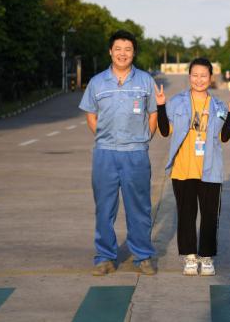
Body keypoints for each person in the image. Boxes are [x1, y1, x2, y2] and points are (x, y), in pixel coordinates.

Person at [79, 30, 158, 276]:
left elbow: (153, 114)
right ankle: (104, 257)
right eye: (118, 49)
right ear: (110, 52)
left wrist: (143, 139)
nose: (123, 54)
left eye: (128, 49)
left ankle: (142, 257)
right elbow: (90, 115)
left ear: (134, 53)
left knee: (139, 208)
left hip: (136, 153)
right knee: (104, 208)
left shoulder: (145, 81)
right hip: (105, 154)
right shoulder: (97, 82)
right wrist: (105, 137)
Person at [155, 58, 230, 276]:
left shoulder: (218, 106)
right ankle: (190, 257)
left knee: (210, 216)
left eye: (203, 76)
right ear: (189, 77)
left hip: (210, 170)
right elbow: (164, 130)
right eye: (195, 75)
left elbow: (225, 136)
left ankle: (206, 257)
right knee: (186, 215)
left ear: (210, 78)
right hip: (183, 169)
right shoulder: (177, 102)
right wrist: (161, 106)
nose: (199, 80)